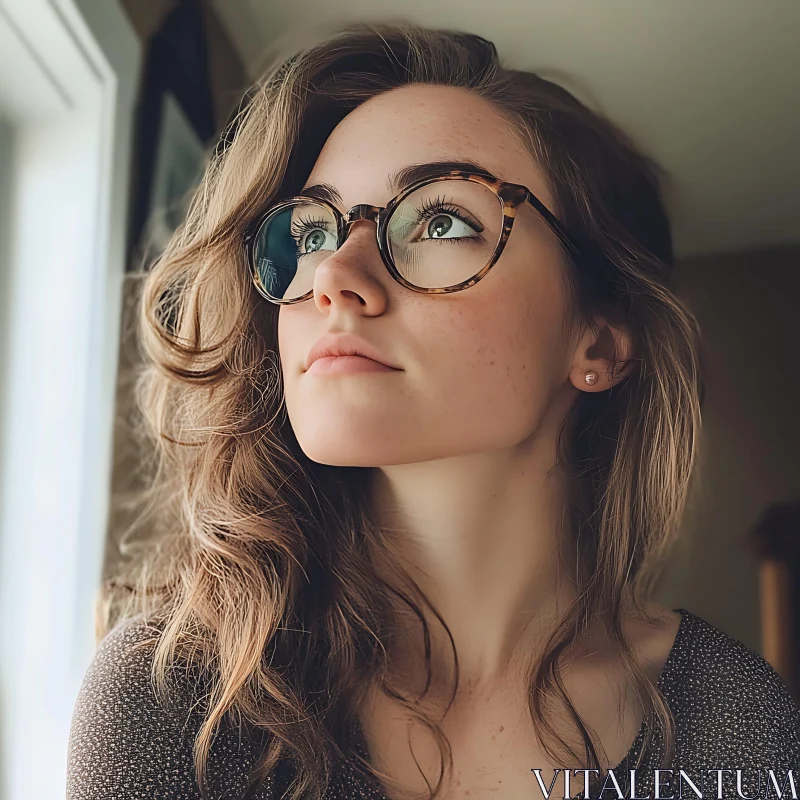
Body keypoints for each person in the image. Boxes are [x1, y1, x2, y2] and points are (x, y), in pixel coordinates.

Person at [66, 20, 800, 800]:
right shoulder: (176, 698)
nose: (335, 277)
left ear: (600, 341)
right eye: (310, 230)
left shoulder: (735, 726)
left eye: (440, 220)